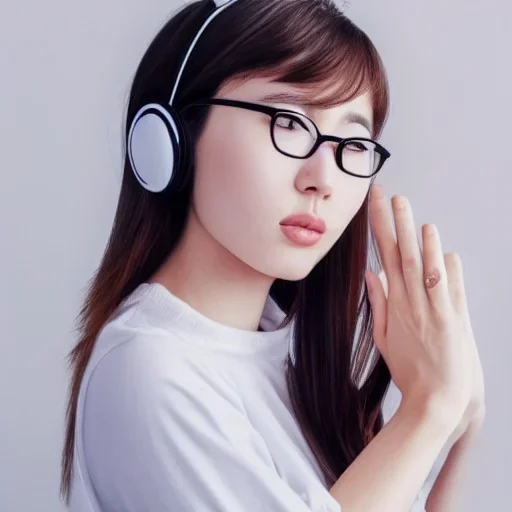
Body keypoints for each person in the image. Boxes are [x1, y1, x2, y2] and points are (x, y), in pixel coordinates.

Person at [61, 0, 485, 510]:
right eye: (287, 122)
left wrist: (458, 427)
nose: (323, 180)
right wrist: (428, 412)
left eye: (352, 143)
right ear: (170, 139)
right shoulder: (148, 371)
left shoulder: (292, 359)